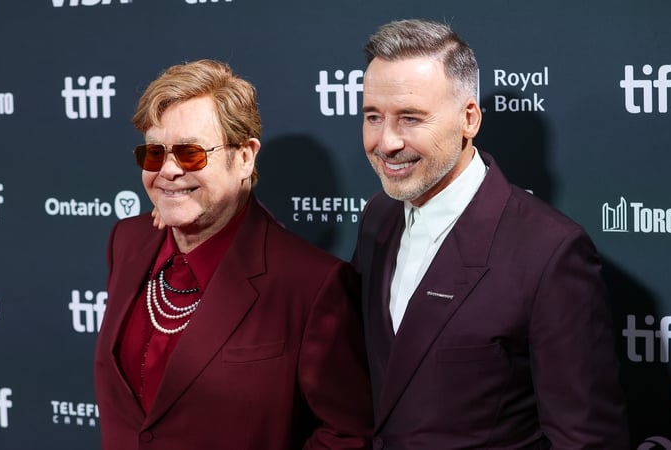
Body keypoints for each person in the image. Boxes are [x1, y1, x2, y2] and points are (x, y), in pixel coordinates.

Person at [352, 19, 629, 448]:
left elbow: (586, 439)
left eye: (410, 118)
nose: (386, 142)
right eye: (373, 117)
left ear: (469, 119)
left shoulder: (550, 252)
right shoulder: (378, 216)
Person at [93, 59, 373, 450]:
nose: (168, 170)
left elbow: (347, 434)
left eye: (190, 153)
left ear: (244, 157)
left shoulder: (311, 283)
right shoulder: (128, 241)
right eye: (155, 153)